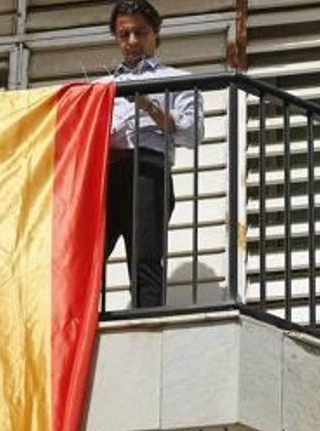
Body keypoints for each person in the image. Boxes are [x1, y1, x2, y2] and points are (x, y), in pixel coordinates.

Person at [98, 0, 204, 308]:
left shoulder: (178, 79)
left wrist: (149, 106)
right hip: (107, 172)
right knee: (87, 254)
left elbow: (192, 134)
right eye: (124, 34)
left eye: (140, 33)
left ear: (156, 33)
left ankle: (147, 320)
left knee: (144, 254)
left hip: (148, 170)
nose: (132, 42)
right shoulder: (103, 85)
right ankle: (78, 323)